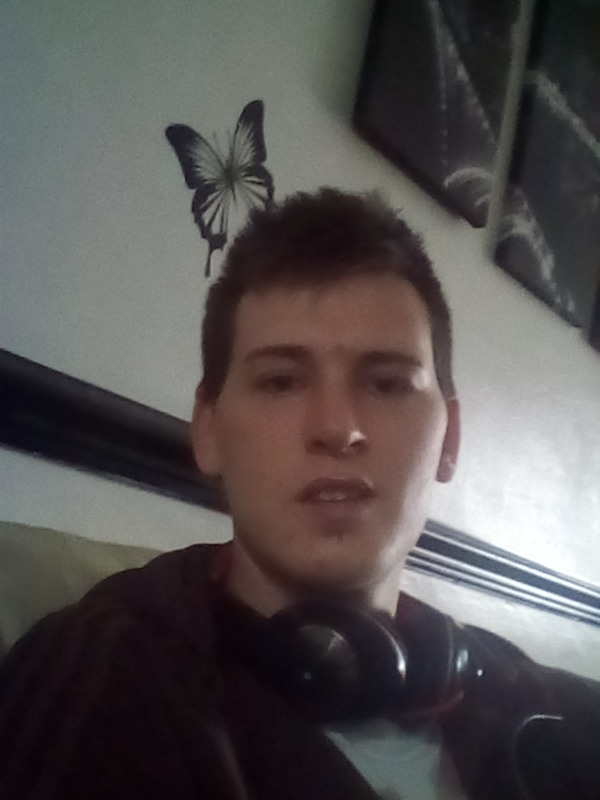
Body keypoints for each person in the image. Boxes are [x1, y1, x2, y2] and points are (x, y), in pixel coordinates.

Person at [0, 188, 598, 800]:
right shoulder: (104, 682)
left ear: (451, 440)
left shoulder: (547, 706)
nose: (338, 428)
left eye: (388, 384)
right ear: (208, 432)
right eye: (281, 382)